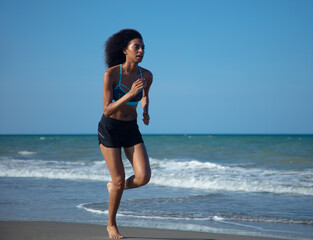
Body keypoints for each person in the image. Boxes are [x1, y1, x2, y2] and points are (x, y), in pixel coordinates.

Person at [97, 29, 153, 239]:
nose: (141, 51)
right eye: (136, 47)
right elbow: (106, 109)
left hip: (131, 128)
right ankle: (111, 224)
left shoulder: (146, 75)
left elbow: (145, 95)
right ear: (124, 50)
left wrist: (146, 110)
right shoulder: (111, 74)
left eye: (143, 47)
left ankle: (114, 187)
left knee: (143, 177)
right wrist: (129, 94)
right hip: (110, 129)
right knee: (119, 179)